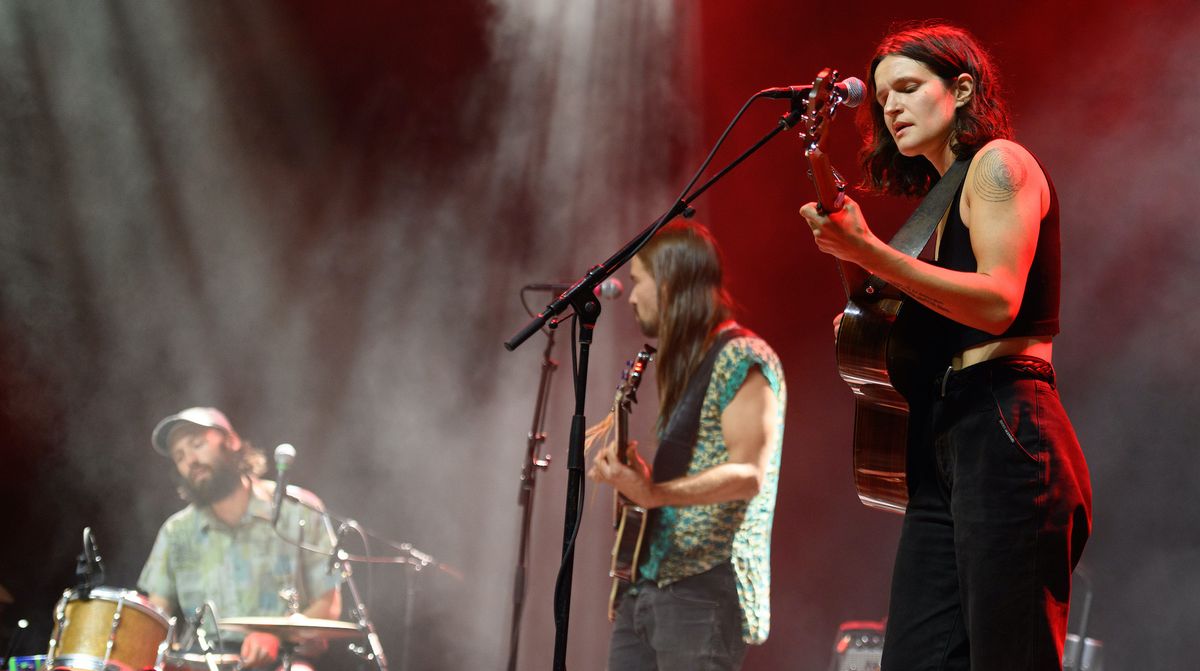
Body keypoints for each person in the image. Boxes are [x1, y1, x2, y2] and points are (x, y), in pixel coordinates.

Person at [798, 22, 1092, 671]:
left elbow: (996, 300)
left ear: (960, 89)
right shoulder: (935, 202)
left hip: (1009, 426)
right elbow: (892, 315)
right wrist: (859, 265)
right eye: (881, 98)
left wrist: (868, 250)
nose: (891, 107)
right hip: (948, 438)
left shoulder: (999, 164)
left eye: (907, 87)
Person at [588, 221, 786, 671]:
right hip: (650, 587)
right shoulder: (692, 363)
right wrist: (642, 480)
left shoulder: (741, 356)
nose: (632, 296)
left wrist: (654, 494)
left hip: (703, 593)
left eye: (640, 282)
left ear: (672, 283)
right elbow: (698, 472)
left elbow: (748, 473)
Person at [138, 407, 342, 670]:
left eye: (197, 444)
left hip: (286, 659)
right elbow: (157, 617)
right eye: (180, 456)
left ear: (232, 442)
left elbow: (329, 604)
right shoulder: (176, 532)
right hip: (206, 662)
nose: (190, 460)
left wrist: (277, 637)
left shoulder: (299, 510)